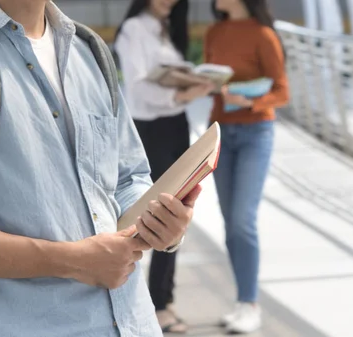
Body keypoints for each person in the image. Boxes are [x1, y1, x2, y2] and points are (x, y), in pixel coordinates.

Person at [0, 0, 202, 336]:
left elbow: (127, 178)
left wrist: (162, 223)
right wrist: (73, 261)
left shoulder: (89, 51)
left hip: (133, 322)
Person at [114, 0, 214, 333]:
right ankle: (146, 301)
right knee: (154, 214)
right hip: (151, 129)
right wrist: (183, 95)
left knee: (178, 213)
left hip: (175, 126)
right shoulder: (134, 29)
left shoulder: (167, 30)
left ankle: (162, 300)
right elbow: (138, 90)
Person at [204, 0, 289, 333]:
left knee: (242, 220)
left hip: (256, 132)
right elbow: (213, 83)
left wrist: (251, 101)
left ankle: (251, 303)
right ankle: (242, 302)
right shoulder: (215, 32)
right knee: (230, 222)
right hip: (221, 132)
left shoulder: (264, 35)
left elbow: (282, 91)